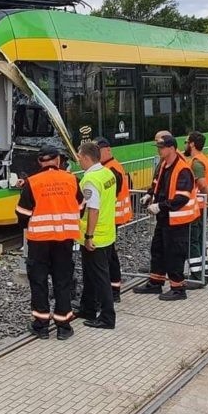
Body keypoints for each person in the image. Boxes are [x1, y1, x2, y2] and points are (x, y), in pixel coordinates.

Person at [15, 144, 80, 340]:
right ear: (58, 161)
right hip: (64, 240)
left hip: (39, 241)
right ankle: (63, 326)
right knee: (63, 281)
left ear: (39, 162)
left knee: (39, 282)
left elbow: (22, 214)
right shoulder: (72, 180)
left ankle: (41, 325)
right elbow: (80, 207)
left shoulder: (32, 183)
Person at [133, 133, 199, 300]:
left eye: (161, 147)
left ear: (171, 148)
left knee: (174, 253)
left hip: (177, 220)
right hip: (165, 218)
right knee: (158, 250)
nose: (159, 150)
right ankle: (156, 283)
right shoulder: (164, 165)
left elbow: (181, 197)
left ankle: (178, 289)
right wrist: (150, 195)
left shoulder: (182, 169)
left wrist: (159, 206)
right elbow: (157, 184)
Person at [76, 140, 118, 329]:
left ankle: (107, 317)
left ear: (86, 157)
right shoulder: (107, 173)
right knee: (91, 275)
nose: (77, 160)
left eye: (78, 157)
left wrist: (89, 236)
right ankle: (88, 308)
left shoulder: (90, 180)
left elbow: (93, 209)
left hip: (96, 237)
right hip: (108, 232)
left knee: (100, 277)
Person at [95, 137, 131, 303]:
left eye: (98, 151)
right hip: (112, 218)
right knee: (110, 256)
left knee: (108, 257)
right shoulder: (111, 167)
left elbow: (108, 197)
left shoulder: (111, 170)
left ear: (107, 150)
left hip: (110, 219)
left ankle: (112, 292)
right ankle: (113, 289)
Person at [184, 131, 208, 286]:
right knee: (200, 240)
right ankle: (203, 273)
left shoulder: (196, 162)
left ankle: (197, 275)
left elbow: (202, 184)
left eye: (186, 142)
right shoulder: (204, 159)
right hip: (203, 205)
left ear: (192, 144)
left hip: (198, 206)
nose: (185, 144)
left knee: (193, 240)